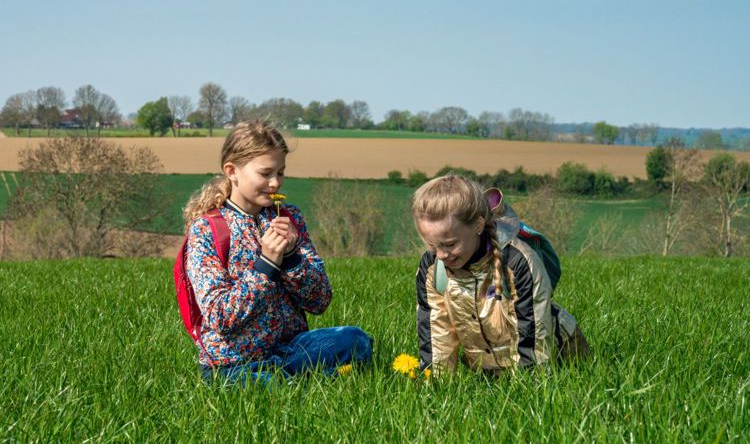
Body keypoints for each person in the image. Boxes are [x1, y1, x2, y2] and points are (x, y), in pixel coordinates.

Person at [183, 120, 372, 385]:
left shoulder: (290, 218)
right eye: (265, 173)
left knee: (356, 340)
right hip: (232, 362)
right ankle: (302, 380)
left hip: (291, 349)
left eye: (281, 173)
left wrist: (293, 255)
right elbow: (219, 316)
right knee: (270, 384)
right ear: (232, 171)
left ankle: (294, 378)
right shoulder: (208, 229)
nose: (275, 183)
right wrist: (266, 265)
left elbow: (320, 301)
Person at [413, 174, 588, 375]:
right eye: (432, 245)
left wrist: (529, 390)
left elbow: (533, 332)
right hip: (488, 369)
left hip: (560, 360)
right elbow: (436, 332)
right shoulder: (432, 267)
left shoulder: (517, 261)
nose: (442, 255)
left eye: (451, 244)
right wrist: (436, 387)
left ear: (478, 225)